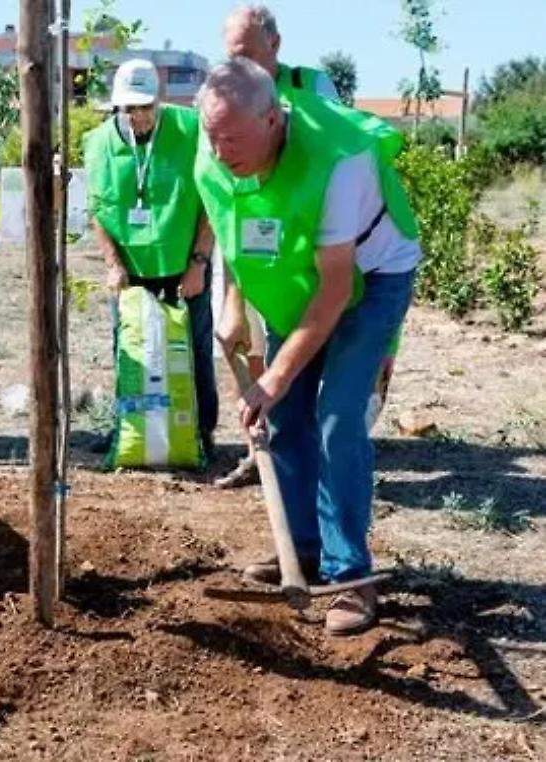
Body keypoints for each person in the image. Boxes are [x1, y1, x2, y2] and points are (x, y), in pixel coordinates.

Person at [194, 59, 422, 635]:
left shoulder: (336, 162)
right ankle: (300, 549)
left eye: (233, 138)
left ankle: (352, 575)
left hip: (369, 279)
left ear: (273, 119)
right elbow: (239, 222)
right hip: (295, 275)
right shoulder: (216, 151)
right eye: (212, 136)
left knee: (338, 416)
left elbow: (335, 291)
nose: (221, 152)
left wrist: (274, 375)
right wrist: (233, 304)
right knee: (284, 416)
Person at [214, 3, 342, 489]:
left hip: (318, 259)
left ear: (276, 45)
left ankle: (318, 479)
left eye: (246, 53)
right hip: (259, 262)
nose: (238, 65)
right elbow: (229, 207)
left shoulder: (313, 90)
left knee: (319, 381)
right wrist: (232, 299)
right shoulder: (224, 94)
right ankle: (262, 456)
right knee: (259, 360)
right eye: (230, 55)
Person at [84, 58, 218, 459]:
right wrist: (113, 264)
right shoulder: (97, 144)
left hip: (184, 267)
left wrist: (198, 262)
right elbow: (97, 211)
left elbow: (212, 201)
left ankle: (200, 432)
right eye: (130, 108)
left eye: (146, 106)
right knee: (129, 350)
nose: (139, 116)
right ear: (117, 107)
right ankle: (128, 427)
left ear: (159, 102)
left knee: (194, 352)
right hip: (130, 274)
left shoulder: (192, 128)